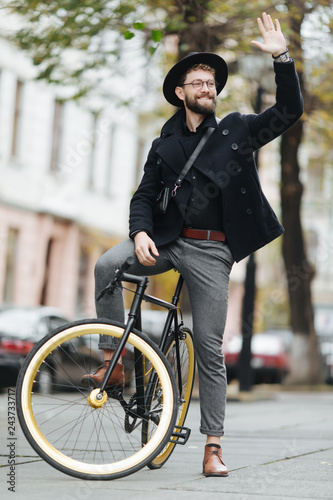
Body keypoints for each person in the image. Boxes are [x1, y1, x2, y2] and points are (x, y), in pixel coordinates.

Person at [82, 12, 303, 476]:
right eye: (198, 82)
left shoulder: (238, 129)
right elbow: (143, 196)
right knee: (106, 266)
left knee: (208, 345)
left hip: (213, 251)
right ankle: (115, 359)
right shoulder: (163, 143)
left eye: (211, 82)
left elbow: (288, 112)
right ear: (180, 93)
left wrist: (282, 57)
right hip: (166, 242)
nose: (207, 87)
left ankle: (213, 446)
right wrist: (140, 232)